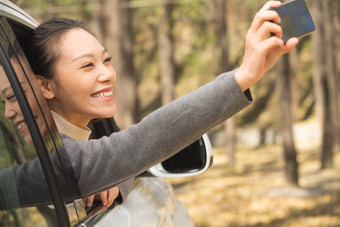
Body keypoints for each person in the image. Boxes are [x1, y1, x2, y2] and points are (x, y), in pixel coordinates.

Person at [2, 0, 298, 208]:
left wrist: (116, 181)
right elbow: (138, 143)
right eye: (86, 66)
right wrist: (244, 75)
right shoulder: (63, 163)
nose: (107, 74)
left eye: (106, 60)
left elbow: (121, 156)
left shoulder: (81, 152)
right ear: (45, 85)